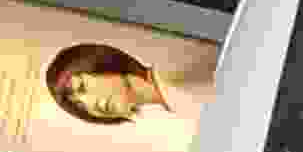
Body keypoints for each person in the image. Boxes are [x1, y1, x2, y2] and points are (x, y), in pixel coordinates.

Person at [43, 40, 212, 134]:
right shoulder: (177, 107)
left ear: (101, 63)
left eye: (81, 87)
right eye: (80, 106)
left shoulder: (179, 76)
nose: (90, 105)